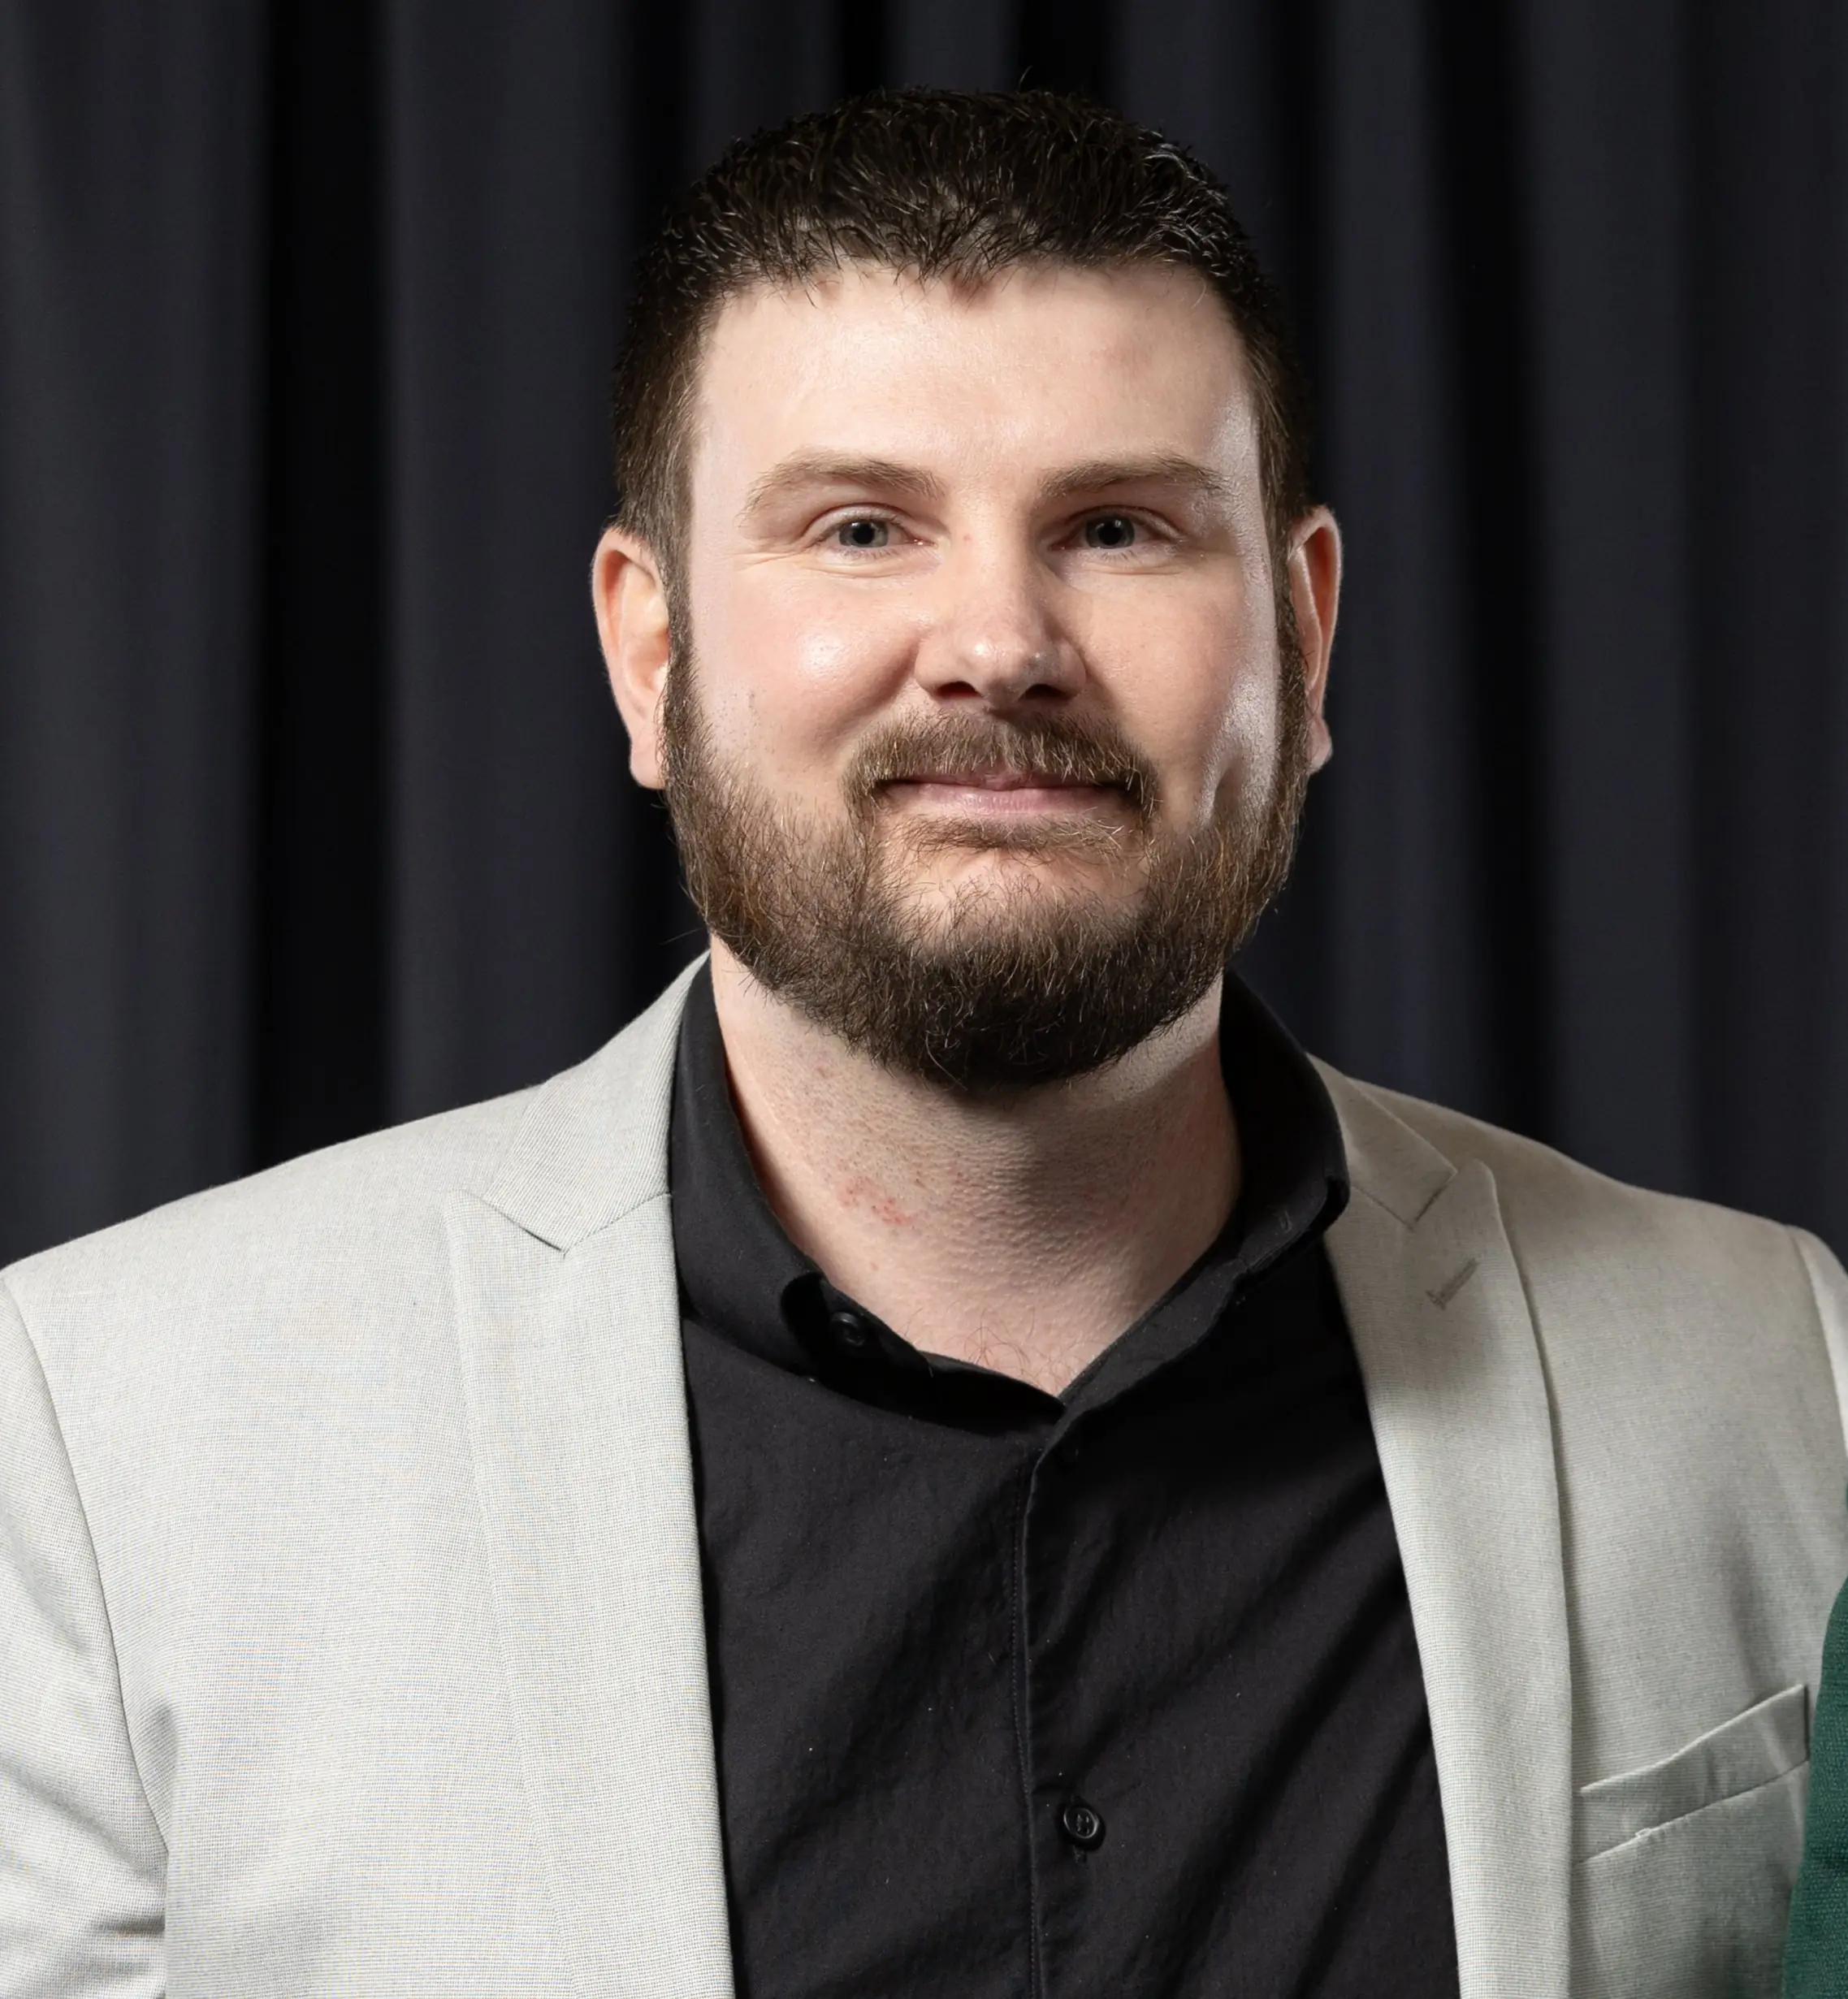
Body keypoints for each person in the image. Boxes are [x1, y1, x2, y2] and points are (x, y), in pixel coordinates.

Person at [2, 89, 1843, 1999]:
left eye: (1117, 528)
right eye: (864, 528)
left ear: (1304, 634)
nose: (997, 643)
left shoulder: (1775, 1371)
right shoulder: (104, 1441)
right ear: (650, 652)